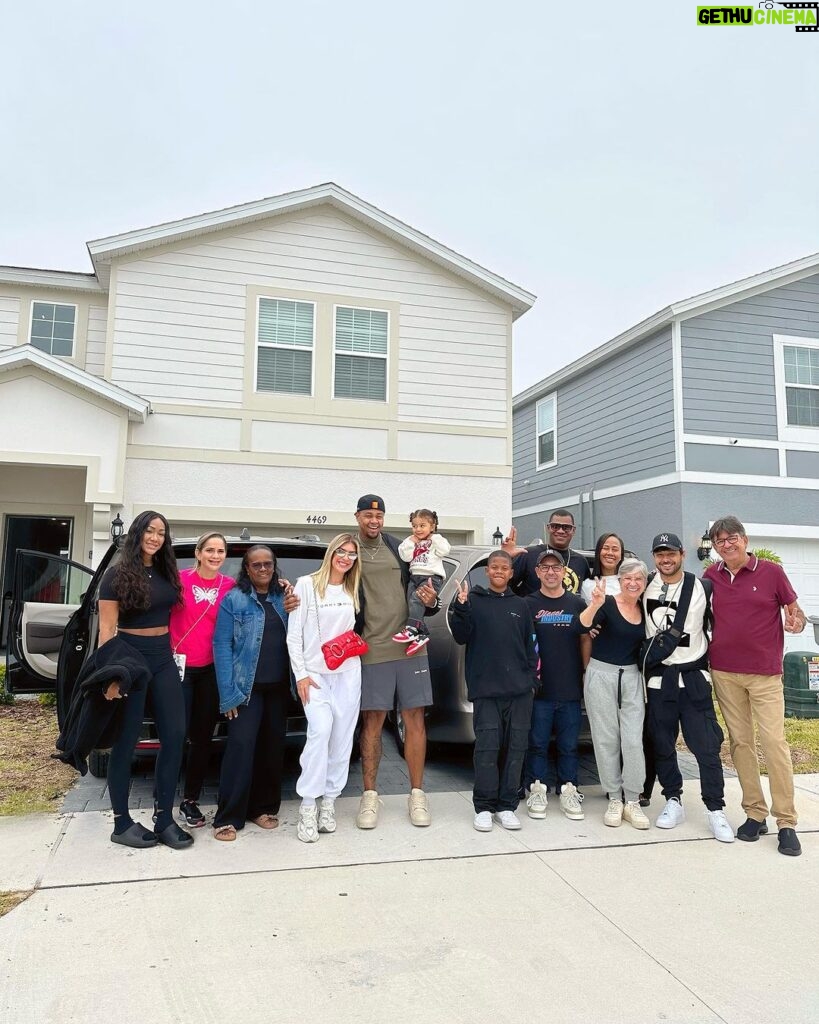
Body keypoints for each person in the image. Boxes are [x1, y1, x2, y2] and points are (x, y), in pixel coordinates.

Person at [704, 516, 807, 856]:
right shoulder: (711, 576)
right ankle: (755, 813)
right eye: (719, 540)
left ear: (744, 540)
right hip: (724, 672)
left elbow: (795, 611)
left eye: (731, 537)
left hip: (764, 673)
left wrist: (797, 620)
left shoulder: (771, 573)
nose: (726, 544)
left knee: (774, 743)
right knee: (741, 743)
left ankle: (787, 822)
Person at [98, 510, 192, 850]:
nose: (155, 537)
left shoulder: (168, 571)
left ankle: (164, 818)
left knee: (176, 734)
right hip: (130, 658)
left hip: (163, 657)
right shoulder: (116, 575)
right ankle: (121, 823)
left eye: (161, 533)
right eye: (150, 531)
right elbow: (107, 630)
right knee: (125, 741)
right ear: (137, 533)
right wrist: (109, 676)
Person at [353, 494, 440, 830]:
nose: (374, 521)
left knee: (414, 719)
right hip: (371, 646)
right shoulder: (348, 548)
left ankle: (417, 794)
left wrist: (431, 602)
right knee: (373, 722)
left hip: (411, 645)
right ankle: (370, 796)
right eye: (367, 515)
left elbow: (424, 581)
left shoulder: (399, 546)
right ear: (357, 516)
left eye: (379, 516)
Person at [643, 533, 733, 843]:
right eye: (659, 554)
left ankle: (715, 808)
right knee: (662, 744)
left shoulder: (702, 586)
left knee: (706, 746)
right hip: (659, 680)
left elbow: (727, 620)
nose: (665, 559)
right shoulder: (644, 585)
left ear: (682, 554)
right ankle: (672, 799)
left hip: (693, 678)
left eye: (670, 553)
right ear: (654, 557)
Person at [450, 550, 538, 831]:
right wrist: (461, 607)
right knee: (487, 749)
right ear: (487, 572)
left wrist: (531, 682)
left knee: (516, 748)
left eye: (505, 567)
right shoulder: (473, 601)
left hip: (519, 692)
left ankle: (507, 805)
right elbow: (462, 636)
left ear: (511, 573)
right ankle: (484, 806)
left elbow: (530, 646)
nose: (499, 571)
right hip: (486, 690)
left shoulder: (521, 605)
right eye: (494, 567)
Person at [211, 546, 292, 841]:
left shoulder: (284, 598)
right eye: (256, 565)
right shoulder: (234, 600)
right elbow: (221, 646)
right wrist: (228, 693)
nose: (262, 569)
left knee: (271, 750)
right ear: (246, 569)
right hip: (246, 691)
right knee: (241, 749)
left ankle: (262, 808)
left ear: (274, 567)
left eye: (267, 565)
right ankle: (228, 817)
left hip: (279, 689)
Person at [287, 534, 363, 843]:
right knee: (319, 732)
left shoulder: (353, 587)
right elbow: (294, 636)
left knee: (342, 739)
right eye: (341, 552)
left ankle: (329, 802)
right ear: (331, 553)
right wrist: (301, 675)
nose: (346, 558)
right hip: (316, 675)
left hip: (347, 674)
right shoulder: (306, 584)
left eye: (351, 554)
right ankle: (307, 805)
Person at [168, 531, 234, 827]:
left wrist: (286, 588)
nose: (215, 556)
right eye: (210, 550)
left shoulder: (230, 587)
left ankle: (190, 799)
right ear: (198, 553)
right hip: (178, 668)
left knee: (202, 737)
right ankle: (163, 796)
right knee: (175, 734)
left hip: (211, 670)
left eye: (220, 551)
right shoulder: (178, 580)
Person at [579, 558, 650, 830]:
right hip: (601, 674)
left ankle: (632, 798)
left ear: (644, 583)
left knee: (632, 740)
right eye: (627, 578)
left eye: (638, 579)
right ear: (619, 581)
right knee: (606, 738)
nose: (633, 583)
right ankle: (614, 798)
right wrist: (594, 604)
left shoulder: (645, 607)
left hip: (632, 677)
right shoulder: (607, 603)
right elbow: (582, 625)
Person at [522, 548, 590, 821]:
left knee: (569, 744)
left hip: (570, 687)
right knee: (537, 743)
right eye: (545, 568)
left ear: (564, 572)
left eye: (556, 567)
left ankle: (568, 787)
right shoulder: (527, 604)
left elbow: (586, 637)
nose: (551, 572)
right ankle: (536, 787)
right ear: (537, 572)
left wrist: (587, 672)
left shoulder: (576, 604)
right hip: (539, 690)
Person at [393, 509, 451, 655]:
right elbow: (405, 557)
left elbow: (445, 550)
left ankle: (412, 629)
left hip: (430, 577)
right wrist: (411, 542)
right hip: (415, 577)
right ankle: (421, 634)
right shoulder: (411, 540)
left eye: (422, 525)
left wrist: (433, 538)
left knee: (416, 600)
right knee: (412, 603)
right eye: (414, 526)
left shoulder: (437, 540)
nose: (417, 529)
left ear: (432, 526)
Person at [507, 509, 590, 596]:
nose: (560, 531)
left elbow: (588, 594)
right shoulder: (528, 554)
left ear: (573, 530)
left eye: (566, 527)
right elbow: (504, 584)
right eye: (555, 526)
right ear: (548, 528)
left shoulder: (581, 562)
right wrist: (505, 557)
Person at [579, 533, 624, 604]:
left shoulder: (628, 582)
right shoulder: (587, 585)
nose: (610, 553)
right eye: (605, 548)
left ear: (621, 555)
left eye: (615, 549)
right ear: (598, 552)